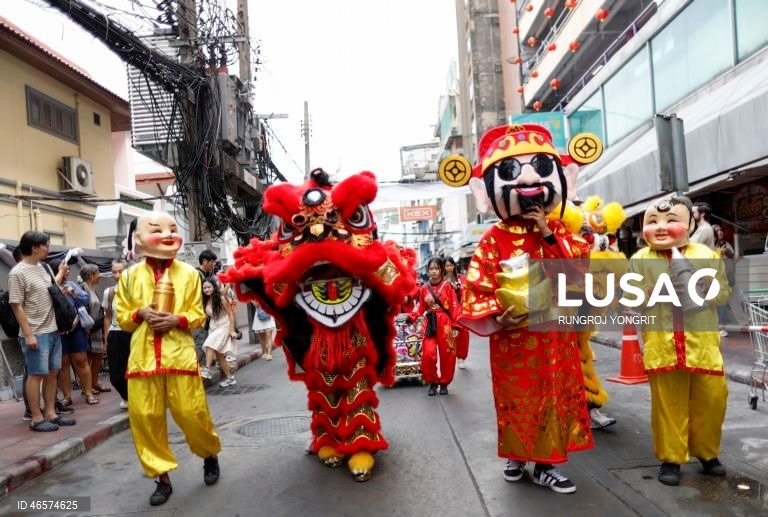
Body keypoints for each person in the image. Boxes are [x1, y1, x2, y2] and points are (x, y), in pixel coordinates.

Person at [219, 169, 417, 482]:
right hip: (317, 341)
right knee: (322, 387)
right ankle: (327, 438)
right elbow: (274, 288)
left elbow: (395, 286)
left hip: (355, 337)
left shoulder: (369, 266)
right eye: (301, 224)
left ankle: (360, 442)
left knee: (356, 385)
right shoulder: (294, 275)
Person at [458, 124, 593, 494]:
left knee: (552, 396)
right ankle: (517, 454)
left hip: (554, 337)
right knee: (515, 399)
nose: (529, 182)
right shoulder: (492, 239)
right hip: (513, 340)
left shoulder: (562, 233)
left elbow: (580, 272)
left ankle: (547, 463)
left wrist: (548, 233)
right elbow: (476, 284)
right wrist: (496, 315)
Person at [115, 211, 221, 506]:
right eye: (156, 229)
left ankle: (209, 453)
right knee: (145, 418)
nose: (166, 234)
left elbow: (199, 316)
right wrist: (140, 313)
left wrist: (176, 319)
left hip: (179, 355)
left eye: (172, 229)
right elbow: (123, 318)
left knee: (191, 414)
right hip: (143, 357)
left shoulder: (189, 274)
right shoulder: (129, 276)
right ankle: (161, 477)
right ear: (138, 240)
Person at [628, 196, 730, 486]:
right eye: (652, 221)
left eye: (671, 220)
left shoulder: (707, 256)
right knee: (668, 405)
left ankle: (707, 453)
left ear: (688, 223)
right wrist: (653, 292)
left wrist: (706, 286)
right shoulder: (639, 260)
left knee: (712, 400)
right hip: (663, 346)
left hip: (704, 345)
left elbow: (723, 294)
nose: (661, 227)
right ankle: (671, 459)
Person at [9, 231, 76, 431]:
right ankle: (36, 418)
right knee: (36, 374)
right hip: (35, 332)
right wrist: (28, 334)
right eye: (46, 245)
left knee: (52, 373)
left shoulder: (44, 267)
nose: (48, 248)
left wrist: (61, 277)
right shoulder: (17, 273)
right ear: (35, 247)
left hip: (53, 330)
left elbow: (50, 289)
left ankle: (50, 413)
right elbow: (16, 305)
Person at [409, 257, 459, 395]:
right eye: (431, 269)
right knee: (428, 354)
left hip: (445, 324)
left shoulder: (448, 287)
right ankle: (433, 381)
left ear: (441, 270)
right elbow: (420, 307)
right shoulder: (424, 288)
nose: (434, 272)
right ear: (427, 271)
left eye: (436, 268)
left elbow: (455, 306)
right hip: (429, 322)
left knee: (447, 354)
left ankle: (444, 383)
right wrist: (411, 317)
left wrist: (455, 326)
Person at [53, 259, 98, 406]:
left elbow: (85, 299)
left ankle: (89, 392)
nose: (68, 271)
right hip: (58, 330)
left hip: (76, 328)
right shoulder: (50, 287)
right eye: (64, 268)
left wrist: (73, 293)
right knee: (63, 363)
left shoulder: (71, 285)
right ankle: (67, 397)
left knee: (81, 360)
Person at [103, 259, 131, 409]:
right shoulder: (109, 292)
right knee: (115, 375)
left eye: (120, 271)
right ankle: (126, 396)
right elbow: (107, 316)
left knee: (133, 369)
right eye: (114, 272)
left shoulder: (135, 290)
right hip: (115, 333)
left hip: (132, 333)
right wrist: (106, 337)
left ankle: (133, 398)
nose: (117, 275)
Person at [200, 279, 238, 386]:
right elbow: (208, 315)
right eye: (204, 288)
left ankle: (207, 369)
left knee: (209, 344)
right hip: (213, 326)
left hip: (224, 325)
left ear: (214, 287)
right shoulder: (205, 300)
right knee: (219, 355)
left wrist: (232, 330)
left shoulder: (221, 298)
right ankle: (230, 378)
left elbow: (231, 314)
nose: (206, 290)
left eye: (209, 287)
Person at [79, 264, 109, 395]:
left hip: (97, 329)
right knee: (89, 358)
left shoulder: (93, 289)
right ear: (91, 276)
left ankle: (95, 382)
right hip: (88, 329)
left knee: (97, 356)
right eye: (97, 273)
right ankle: (87, 386)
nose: (99, 276)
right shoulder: (83, 288)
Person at [443, 257, 470, 370]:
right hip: (447, 312)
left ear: (454, 266)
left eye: (450, 265)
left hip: (460, 311)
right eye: (446, 265)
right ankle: (450, 358)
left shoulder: (461, 278)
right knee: (448, 335)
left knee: (463, 335)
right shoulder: (441, 280)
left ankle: (461, 358)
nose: (449, 268)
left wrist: (458, 290)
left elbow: (467, 293)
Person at [193, 249, 218, 365]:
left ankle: (205, 367)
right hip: (199, 314)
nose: (213, 265)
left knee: (207, 341)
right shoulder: (195, 275)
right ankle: (200, 369)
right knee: (200, 341)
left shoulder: (208, 275)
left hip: (207, 313)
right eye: (212, 262)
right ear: (205, 261)